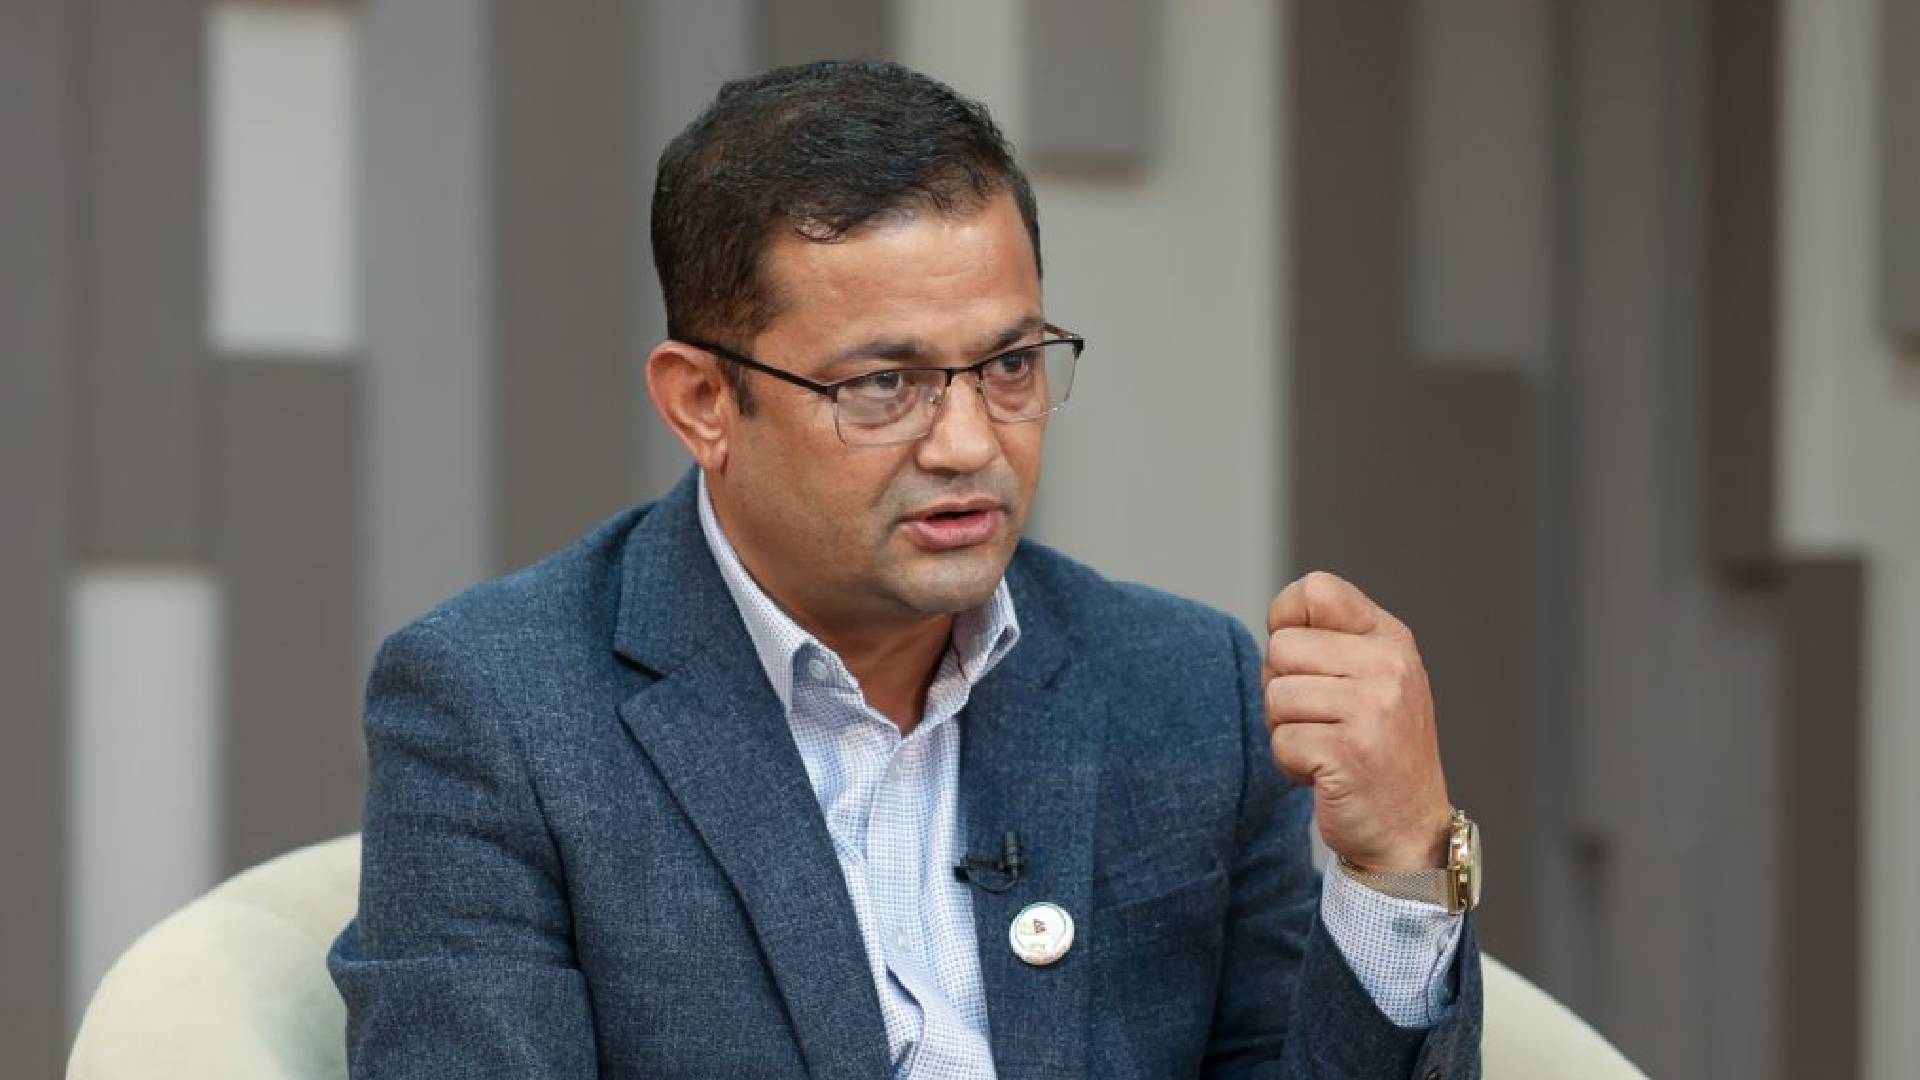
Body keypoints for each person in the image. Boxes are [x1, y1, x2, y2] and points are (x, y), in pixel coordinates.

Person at [328, 61, 1483, 1079]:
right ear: (703, 402)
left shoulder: (1188, 689)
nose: (970, 444)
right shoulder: (501, 711)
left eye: (1011, 366)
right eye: (884, 385)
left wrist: (1400, 869)